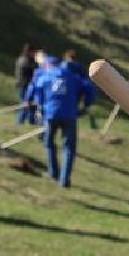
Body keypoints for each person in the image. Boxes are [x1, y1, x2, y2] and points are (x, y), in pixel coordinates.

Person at [27, 52, 96, 187]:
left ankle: (53, 172)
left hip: (51, 114)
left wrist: (39, 106)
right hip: (70, 115)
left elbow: (36, 90)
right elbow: (89, 88)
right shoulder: (72, 77)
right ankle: (64, 179)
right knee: (69, 148)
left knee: (49, 143)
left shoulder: (45, 76)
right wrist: (85, 105)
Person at [13, 43, 39, 124]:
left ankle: (31, 121)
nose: (35, 54)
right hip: (24, 85)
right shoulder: (24, 61)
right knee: (25, 104)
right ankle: (20, 121)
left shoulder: (27, 60)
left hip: (27, 85)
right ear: (29, 52)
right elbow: (30, 73)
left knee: (31, 105)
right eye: (33, 52)